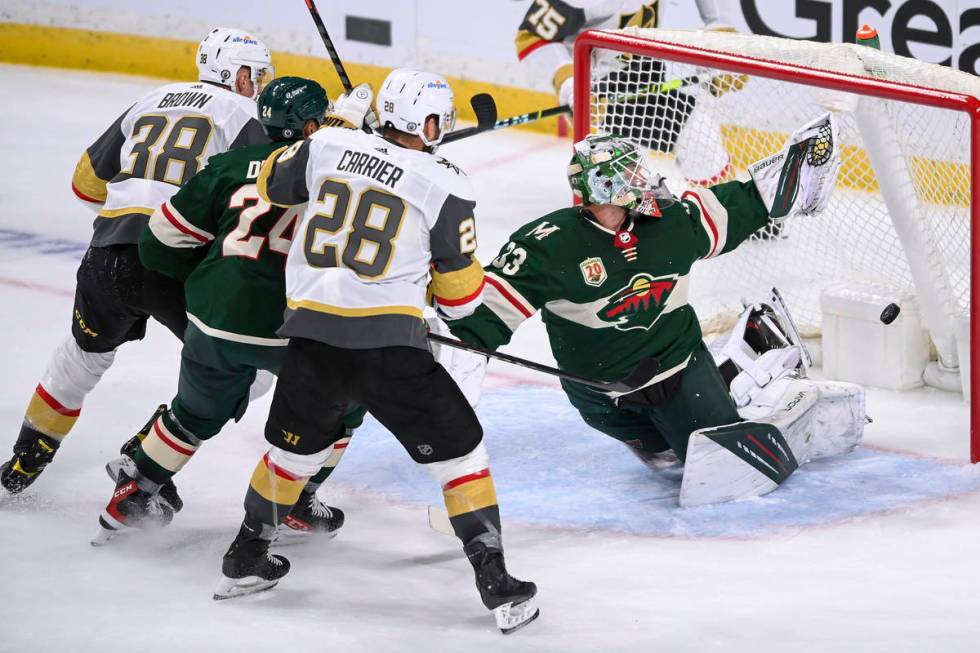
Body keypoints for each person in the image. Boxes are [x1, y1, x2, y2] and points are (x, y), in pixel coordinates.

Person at [212, 67, 538, 635]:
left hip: (311, 342)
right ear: (429, 122)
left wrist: (336, 126)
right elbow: (462, 302)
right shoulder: (446, 184)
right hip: (389, 349)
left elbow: (266, 182)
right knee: (460, 458)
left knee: (292, 456)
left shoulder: (325, 145)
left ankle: (245, 557)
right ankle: (495, 579)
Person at [444, 119, 857, 490]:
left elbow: (741, 205)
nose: (645, 181)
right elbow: (483, 315)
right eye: (632, 174)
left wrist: (792, 173)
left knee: (719, 460)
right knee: (666, 458)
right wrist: (447, 358)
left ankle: (751, 363)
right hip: (598, 394)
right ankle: (737, 367)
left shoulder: (670, 224)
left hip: (677, 370)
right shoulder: (549, 247)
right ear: (606, 186)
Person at [92, 77, 371, 544]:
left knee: (192, 414)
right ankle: (299, 498)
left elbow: (158, 241)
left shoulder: (227, 166)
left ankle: (133, 494)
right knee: (351, 397)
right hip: (289, 331)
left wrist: (206, 287)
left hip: (212, 321)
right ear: (309, 126)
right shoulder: (337, 180)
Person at [1, 27, 275, 494]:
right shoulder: (245, 112)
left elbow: (86, 184)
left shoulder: (151, 99)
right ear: (239, 73)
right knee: (249, 368)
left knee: (81, 356)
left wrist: (126, 219)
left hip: (106, 256)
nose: (262, 86)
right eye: (259, 75)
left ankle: (23, 461)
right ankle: (144, 456)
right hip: (178, 262)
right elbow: (275, 192)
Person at [515, 0, 746, 184]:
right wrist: (572, 87)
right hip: (600, 91)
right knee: (614, 201)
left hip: (645, 73)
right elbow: (531, 38)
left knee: (699, 141)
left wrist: (720, 36)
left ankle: (728, 212)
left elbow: (718, 18)